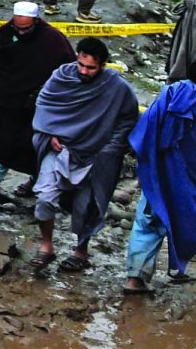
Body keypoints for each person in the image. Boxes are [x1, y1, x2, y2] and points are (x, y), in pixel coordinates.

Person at [124, 57, 196, 292]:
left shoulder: (170, 94)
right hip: (194, 183)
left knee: (149, 220)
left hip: (161, 176)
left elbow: (146, 128)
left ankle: (136, 278)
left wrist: (150, 162)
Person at [30, 37, 139, 273]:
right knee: (44, 198)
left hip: (95, 155)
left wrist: (110, 148)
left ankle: (81, 250)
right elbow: (45, 104)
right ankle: (47, 245)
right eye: (81, 64)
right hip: (61, 150)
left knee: (86, 205)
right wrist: (49, 134)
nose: (84, 71)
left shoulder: (116, 87)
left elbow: (128, 118)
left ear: (102, 66)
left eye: (90, 67)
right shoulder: (62, 77)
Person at [0, 2, 74, 208]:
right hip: (8, 101)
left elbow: (67, 70)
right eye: (18, 27)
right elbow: (3, 67)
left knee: (37, 146)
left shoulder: (53, 40)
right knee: (2, 143)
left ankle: (35, 181)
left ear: (36, 22)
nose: (21, 32)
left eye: (26, 28)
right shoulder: (5, 34)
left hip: (40, 107)